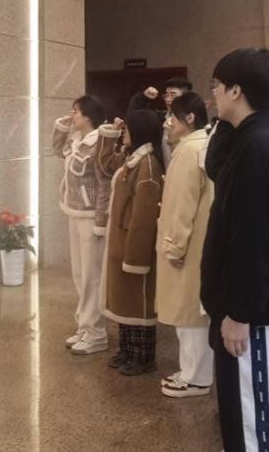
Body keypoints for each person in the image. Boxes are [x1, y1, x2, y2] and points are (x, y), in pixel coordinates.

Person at [201, 48, 269, 452]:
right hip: (247, 306)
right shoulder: (254, 134)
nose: (212, 93)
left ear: (236, 90)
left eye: (217, 86)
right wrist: (227, 122)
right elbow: (216, 167)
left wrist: (240, 312)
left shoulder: (261, 146)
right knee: (241, 412)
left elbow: (259, 240)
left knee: (253, 419)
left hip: (254, 314)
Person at [95, 109, 166, 376]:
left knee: (138, 303)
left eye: (127, 129)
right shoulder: (133, 159)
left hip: (133, 248)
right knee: (124, 302)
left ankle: (143, 357)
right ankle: (127, 350)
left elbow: (144, 217)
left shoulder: (148, 165)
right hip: (121, 243)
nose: (124, 133)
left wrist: (136, 257)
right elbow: (104, 164)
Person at [156, 92, 214, 398]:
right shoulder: (203, 144)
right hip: (200, 240)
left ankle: (196, 377)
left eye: (172, 117)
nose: (168, 123)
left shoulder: (189, 150)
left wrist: (174, 246)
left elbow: (181, 204)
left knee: (188, 312)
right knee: (193, 310)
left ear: (190, 118)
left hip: (189, 244)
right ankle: (194, 372)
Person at [53, 95, 110, 356]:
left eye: (76, 111)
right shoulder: (76, 140)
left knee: (92, 276)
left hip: (91, 217)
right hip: (74, 211)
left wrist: (101, 221)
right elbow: (57, 150)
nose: (72, 114)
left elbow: (104, 185)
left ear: (88, 115)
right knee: (79, 273)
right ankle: (84, 325)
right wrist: (61, 127)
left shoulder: (100, 142)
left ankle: (96, 331)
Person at [160, 76, 194, 165]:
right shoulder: (163, 118)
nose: (167, 99)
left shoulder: (190, 121)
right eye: (166, 95)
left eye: (172, 95)